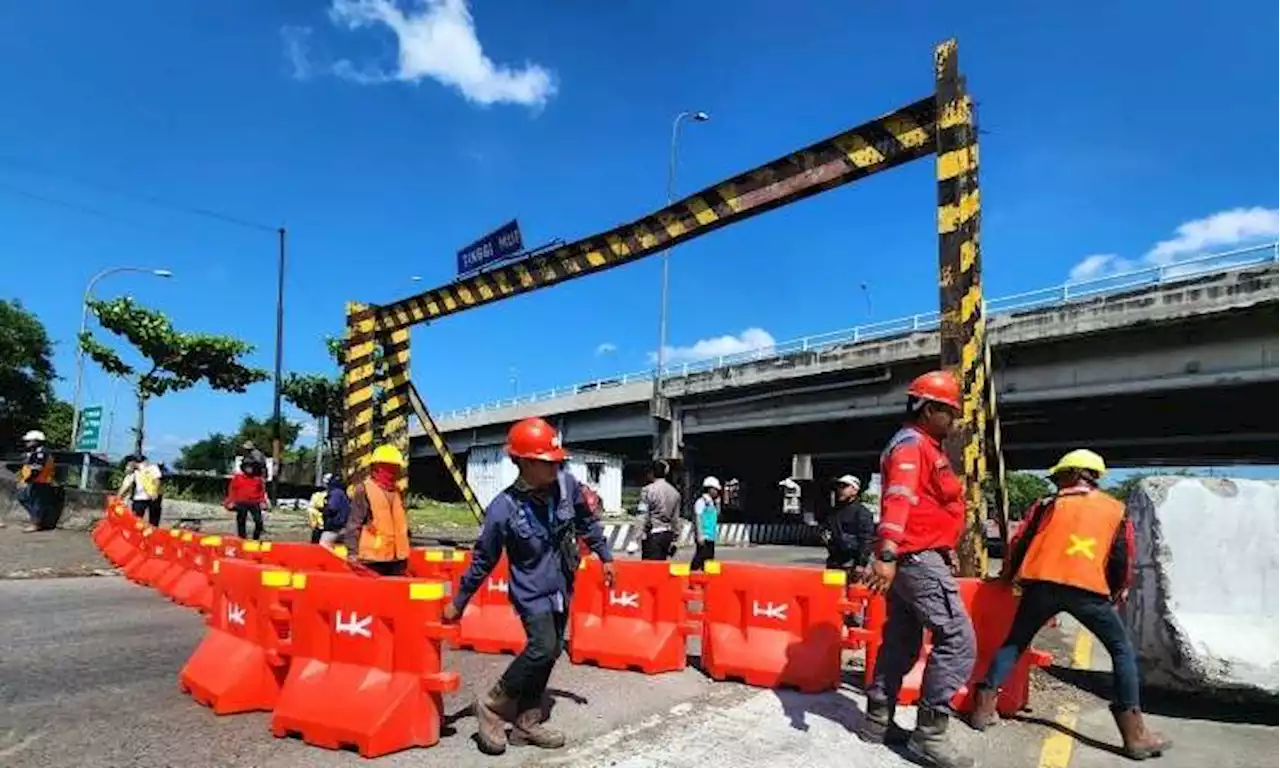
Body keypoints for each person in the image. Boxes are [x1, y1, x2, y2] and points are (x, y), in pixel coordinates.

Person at [970, 449, 1171, 760]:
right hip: (1087, 589)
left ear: (1076, 474)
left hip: (1039, 585)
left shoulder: (1046, 506)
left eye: (1060, 476)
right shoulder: (1114, 509)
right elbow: (1122, 556)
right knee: (1121, 651)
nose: (1057, 483)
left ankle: (982, 710)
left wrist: (1008, 576)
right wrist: (1117, 591)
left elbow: (1020, 542)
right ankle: (1135, 735)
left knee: (1014, 642)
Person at [441, 417, 614, 756]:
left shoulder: (567, 486)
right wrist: (459, 601)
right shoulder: (502, 510)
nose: (556, 466)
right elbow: (483, 561)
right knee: (543, 646)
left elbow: (587, 523)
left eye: (557, 460)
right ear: (523, 462)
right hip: (530, 590)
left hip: (562, 585)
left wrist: (606, 557)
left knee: (550, 653)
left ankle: (527, 721)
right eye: (547, 462)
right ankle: (491, 704)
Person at [860, 370, 976, 768]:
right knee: (958, 639)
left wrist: (945, 547)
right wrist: (887, 554)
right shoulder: (913, 445)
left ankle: (878, 720)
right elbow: (899, 498)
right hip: (913, 557)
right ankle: (930, 734)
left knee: (902, 641)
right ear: (929, 409)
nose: (954, 421)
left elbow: (929, 504)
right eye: (949, 412)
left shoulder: (921, 444)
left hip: (920, 555)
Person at [342, 445, 411, 576]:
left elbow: (401, 523)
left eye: (396, 467)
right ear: (377, 467)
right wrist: (352, 553)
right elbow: (354, 523)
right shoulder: (364, 490)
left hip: (397, 558)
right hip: (373, 559)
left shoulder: (397, 491)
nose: (394, 471)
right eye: (389, 467)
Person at [823, 475, 876, 575]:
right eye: (838, 486)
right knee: (832, 589)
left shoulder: (862, 513)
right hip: (833, 563)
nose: (840, 489)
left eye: (844, 486)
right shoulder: (834, 512)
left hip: (851, 565)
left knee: (848, 590)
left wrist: (861, 564)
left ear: (854, 490)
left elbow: (866, 540)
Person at [637, 459, 681, 560]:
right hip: (667, 535)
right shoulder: (675, 492)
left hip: (653, 535)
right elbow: (675, 519)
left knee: (650, 569)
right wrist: (675, 539)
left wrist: (636, 538)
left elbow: (642, 515)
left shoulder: (647, 490)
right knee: (661, 567)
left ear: (652, 473)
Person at [15, 430, 55, 533]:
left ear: (36, 441)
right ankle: (36, 521)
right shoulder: (37, 452)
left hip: (40, 481)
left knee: (36, 503)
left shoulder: (41, 453)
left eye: (29, 440)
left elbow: (37, 469)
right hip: (37, 481)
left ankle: (35, 524)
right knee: (26, 499)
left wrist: (28, 480)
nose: (27, 443)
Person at [225, 460, 268, 540]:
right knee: (241, 520)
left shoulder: (258, 479)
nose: (249, 469)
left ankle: (256, 539)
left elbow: (262, 491)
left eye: (251, 467)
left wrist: (263, 502)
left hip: (254, 502)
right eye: (247, 467)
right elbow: (232, 490)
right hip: (241, 501)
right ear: (244, 468)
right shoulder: (238, 477)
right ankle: (242, 539)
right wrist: (230, 501)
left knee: (259, 522)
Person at [118, 454, 163, 526]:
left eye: (128, 464)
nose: (127, 467)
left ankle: (152, 535)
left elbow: (157, 480)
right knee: (136, 520)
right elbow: (125, 486)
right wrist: (117, 498)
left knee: (154, 521)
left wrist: (155, 491)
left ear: (132, 462)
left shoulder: (152, 467)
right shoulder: (133, 473)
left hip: (153, 497)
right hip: (139, 498)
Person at [690, 476, 721, 571]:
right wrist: (699, 535)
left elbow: (717, 514)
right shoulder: (701, 502)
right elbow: (698, 518)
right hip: (704, 536)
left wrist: (718, 503)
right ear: (709, 489)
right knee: (699, 558)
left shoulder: (712, 503)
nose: (717, 492)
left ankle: (705, 580)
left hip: (711, 536)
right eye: (715, 489)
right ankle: (691, 576)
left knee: (709, 561)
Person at [317, 473, 350, 549]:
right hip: (343, 526)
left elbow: (332, 508)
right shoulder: (342, 492)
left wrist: (323, 510)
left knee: (323, 547)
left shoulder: (335, 493)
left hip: (334, 528)